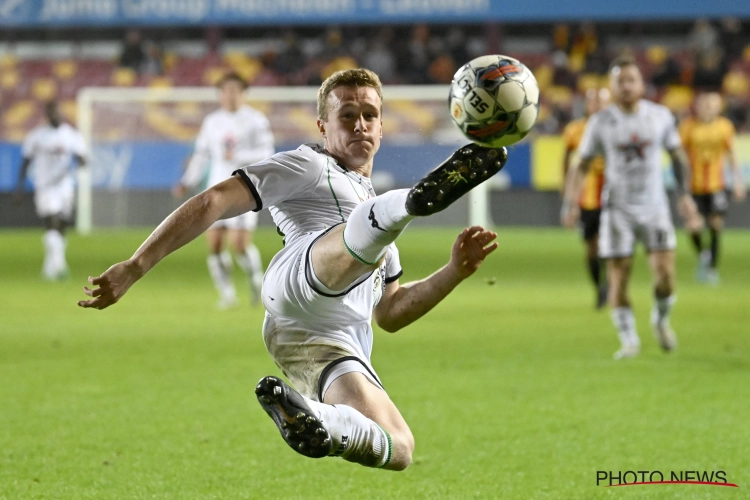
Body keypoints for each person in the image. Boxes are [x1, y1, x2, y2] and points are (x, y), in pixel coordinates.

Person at [79, 68, 506, 471]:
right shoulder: (306, 165)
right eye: (347, 115)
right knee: (365, 233)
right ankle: (412, 202)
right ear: (323, 126)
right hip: (298, 281)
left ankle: (319, 420)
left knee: (399, 446)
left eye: (369, 115)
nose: (360, 124)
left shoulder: (374, 226)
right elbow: (213, 202)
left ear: (380, 125)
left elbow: (390, 313)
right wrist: (136, 265)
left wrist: (453, 271)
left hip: (327, 339)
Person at [561, 57, 702, 360]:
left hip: (655, 207)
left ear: (641, 84)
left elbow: (678, 157)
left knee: (665, 275)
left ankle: (660, 321)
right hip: (618, 211)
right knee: (618, 277)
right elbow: (581, 165)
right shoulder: (600, 122)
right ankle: (628, 340)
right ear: (611, 87)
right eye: (619, 81)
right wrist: (570, 203)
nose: (626, 86)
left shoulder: (660, 116)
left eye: (631, 80)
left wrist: (686, 195)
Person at [173, 72, 274, 308]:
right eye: (225, 91)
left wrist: (237, 156)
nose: (230, 95)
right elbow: (201, 154)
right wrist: (187, 180)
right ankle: (227, 294)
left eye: (235, 91)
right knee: (216, 244)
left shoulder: (256, 120)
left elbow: (267, 151)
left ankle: (255, 281)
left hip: (244, 188)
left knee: (239, 245)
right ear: (220, 94)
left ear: (243, 93)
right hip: (217, 188)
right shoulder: (212, 121)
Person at [13, 101, 86, 280]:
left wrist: (80, 159)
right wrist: (19, 188)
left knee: (61, 226)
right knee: (52, 221)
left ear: (60, 112)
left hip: (65, 186)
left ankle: (49, 268)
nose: (55, 115)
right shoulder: (37, 136)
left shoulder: (71, 135)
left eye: (57, 111)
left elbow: (83, 157)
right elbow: (25, 161)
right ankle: (60, 267)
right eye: (51, 112)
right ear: (47, 115)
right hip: (45, 186)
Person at [680, 91, 745, 284]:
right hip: (695, 186)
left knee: (716, 225)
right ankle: (704, 255)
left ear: (719, 107)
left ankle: (712, 270)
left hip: (716, 185)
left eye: (712, 104)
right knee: (693, 226)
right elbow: (680, 157)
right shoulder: (688, 127)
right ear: (698, 107)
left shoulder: (725, 127)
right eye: (704, 104)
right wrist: (682, 183)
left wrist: (738, 182)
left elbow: (732, 154)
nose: (708, 108)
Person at [561, 87, 611, 308]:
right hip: (587, 197)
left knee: (605, 244)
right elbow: (568, 162)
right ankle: (599, 287)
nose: (597, 105)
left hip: (612, 196)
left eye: (602, 101)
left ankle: (610, 285)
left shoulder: (617, 127)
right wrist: (568, 196)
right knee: (591, 247)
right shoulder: (575, 130)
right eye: (593, 101)